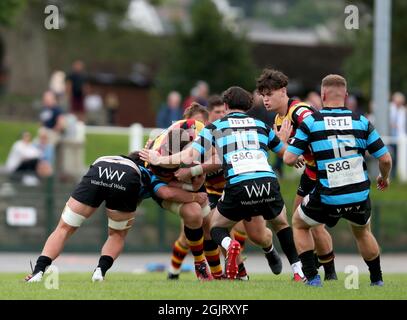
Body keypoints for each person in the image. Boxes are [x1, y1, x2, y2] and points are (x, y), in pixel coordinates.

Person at [140, 86, 303, 280]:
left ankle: (239, 248)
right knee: (281, 223)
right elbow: (285, 153)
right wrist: (290, 147)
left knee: (219, 228)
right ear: (249, 105)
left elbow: (190, 154)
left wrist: (159, 160)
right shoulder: (260, 124)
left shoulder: (214, 129)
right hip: (266, 181)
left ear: (226, 106)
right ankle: (297, 271)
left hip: (237, 186)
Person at [26, 152, 208, 283]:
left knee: (63, 228)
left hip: (99, 167)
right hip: (127, 177)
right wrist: (196, 197)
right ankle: (99, 272)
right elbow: (166, 193)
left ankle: (38, 272)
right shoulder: (149, 172)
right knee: (116, 235)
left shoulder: (119, 159)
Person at [284, 74, 392, 287]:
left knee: (298, 223)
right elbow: (386, 159)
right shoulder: (361, 121)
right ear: (346, 95)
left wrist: (288, 143)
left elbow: (289, 159)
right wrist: (384, 178)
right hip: (359, 193)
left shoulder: (311, 122)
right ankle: (377, 280)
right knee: (362, 232)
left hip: (328, 195)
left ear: (323, 95)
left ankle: (313, 278)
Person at [256, 68, 337, 281]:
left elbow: (319, 131)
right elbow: (292, 152)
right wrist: (293, 150)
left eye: (269, 94)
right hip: (310, 172)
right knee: (300, 220)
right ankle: (313, 269)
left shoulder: (299, 111)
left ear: (283, 91)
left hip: (322, 173)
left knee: (312, 223)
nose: (265, 99)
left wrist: (289, 144)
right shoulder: (279, 119)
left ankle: (328, 274)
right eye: (263, 95)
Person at [173, 95, 250, 280]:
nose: (197, 127)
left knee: (238, 230)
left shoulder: (215, 136)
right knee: (199, 231)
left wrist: (196, 169)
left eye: (201, 123)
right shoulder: (178, 140)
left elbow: (218, 159)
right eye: (193, 123)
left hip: (228, 188)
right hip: (201, 192)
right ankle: (182, 272)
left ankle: (230, 270)